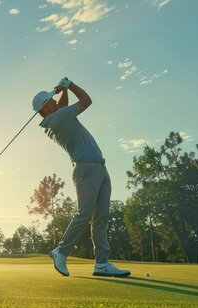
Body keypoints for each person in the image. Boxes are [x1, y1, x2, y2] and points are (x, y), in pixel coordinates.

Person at [34, 77, 130, 277]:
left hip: (99, 168)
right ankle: (61, 251)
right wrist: (69, 85)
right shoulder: (59, 118)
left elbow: (62, 106)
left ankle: (101, 264)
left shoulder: (57, 117)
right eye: (50, 100)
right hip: (87, 170)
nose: (54, 100)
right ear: (45, 108)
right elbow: (87, 100)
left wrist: (63, 92)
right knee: (85, 214)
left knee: (101, 218)